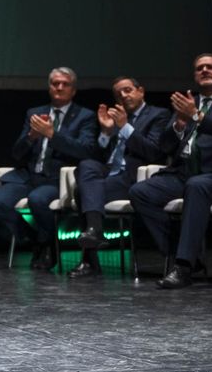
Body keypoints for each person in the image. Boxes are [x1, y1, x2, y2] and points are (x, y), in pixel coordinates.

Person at [129, 54, 212, 287]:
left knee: (197, 186)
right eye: (199, 68)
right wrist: (178, 124)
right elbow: (164, 147)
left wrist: (197, 116)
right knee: (140, 192)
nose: (204, 70)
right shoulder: (188, 102)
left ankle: (183, 266)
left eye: (210, 67)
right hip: (183, 172)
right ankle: (188, 254)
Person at [0, 67, 97, 270]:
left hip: (57, 179)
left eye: (65, 84)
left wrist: (53, 135)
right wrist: (31, 137)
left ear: (73, 90)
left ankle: (46, 246)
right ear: (49, 88)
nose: (59, 87)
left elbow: (85, 150)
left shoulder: (85, 116)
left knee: (38, 199)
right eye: (55, 84)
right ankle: (38, 239)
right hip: (29, 176)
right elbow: (17, 153)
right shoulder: (35, 113)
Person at [68, 76, 169, 278]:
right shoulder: (117, 117)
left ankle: (90, 257)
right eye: (118, 93)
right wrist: (106, 132)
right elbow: (100, 156)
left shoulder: (159, 115)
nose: (123, 95)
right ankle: (95, 231)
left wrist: (124, 127)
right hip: (109, 172)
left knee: (81, 192)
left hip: (132, 176)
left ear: (141, 91)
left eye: (128, 90)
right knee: (87, 165)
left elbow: (154, 152)